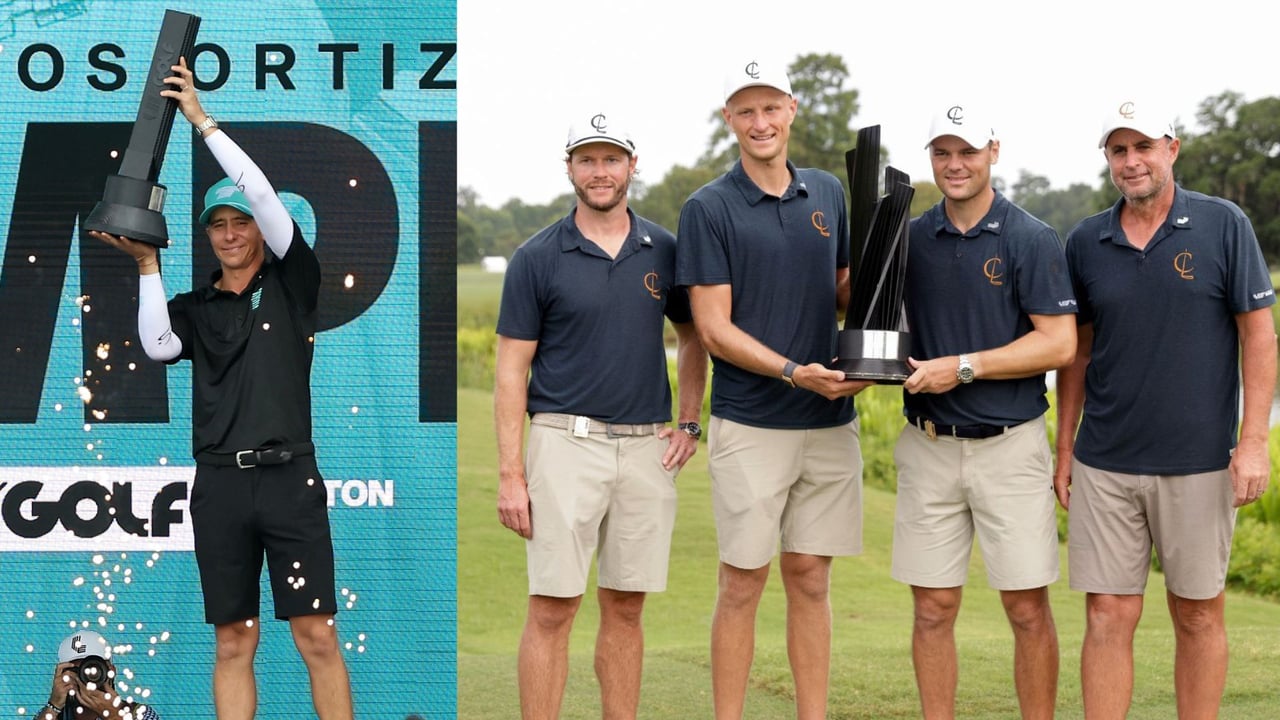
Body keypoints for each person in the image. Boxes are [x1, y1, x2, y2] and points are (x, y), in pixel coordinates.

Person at [89, 57, 353, 720]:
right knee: (234, 639)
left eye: (241, 222)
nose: (233, 233)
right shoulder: (194, 305)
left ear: (260, 229)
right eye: (219, 226)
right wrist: (148, 263)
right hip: (221, 486)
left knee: (316, 634)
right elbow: (156, 346)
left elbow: (261, 192)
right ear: (206, 236)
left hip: (291, 479)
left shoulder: (294, 282)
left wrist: (200, 119)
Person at [1055, 99, 1276, 719]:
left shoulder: (1223, 223)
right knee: (1107, 613)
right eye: (1119, 150)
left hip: (1200, 462)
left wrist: (1253, 441)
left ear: (1171, 149)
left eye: (1144, 146)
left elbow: (1259, 336)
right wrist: (1065, 449)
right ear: (1107, 159)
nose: (1132, 161)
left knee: (1199, 612)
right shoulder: (1085, 241)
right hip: (1105, 462)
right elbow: (1075, 354)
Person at [494, 111, 707, 720]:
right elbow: (511, 372)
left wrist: (689, 420)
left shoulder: (665, 249)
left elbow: (694, 337)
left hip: (646, 447)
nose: (600, 171)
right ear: (569, 168)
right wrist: (512, 474)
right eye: (586, 159)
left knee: (627, 605)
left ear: (633, 165)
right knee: (553, 607)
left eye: (611, 158)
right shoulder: (537, 257)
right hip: (565, 442)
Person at [675, 58, 869, 720]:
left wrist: (887, 282)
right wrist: (794, 371)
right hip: (753, 423)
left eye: (770, 108)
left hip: (829, 425)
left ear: (791, 109)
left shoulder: (827, 193)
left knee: (811, 580)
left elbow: (845, 291)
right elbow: (713, 328)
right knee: (742, 583)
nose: (760, 123)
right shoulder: (709, 207)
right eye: (745, 111)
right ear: (729, 120)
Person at [893, 104, 1076, 720]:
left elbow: (1058, 343)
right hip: (928, 446)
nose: (955, 164)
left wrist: (963, 365)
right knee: (932, 609)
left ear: (993, 151)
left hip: (1010, 445)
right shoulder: (911, 238)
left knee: (1026, 608)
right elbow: (877, 322)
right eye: (942, 153)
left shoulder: (1031, 236)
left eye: (967, 151)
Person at [39, 630, 160, 720]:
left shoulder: (139, 714)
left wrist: (114, 716)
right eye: (76, 671)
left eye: (94, 668)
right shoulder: (51, 714)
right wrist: (53, 705)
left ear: (111, 672)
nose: (86, 678)